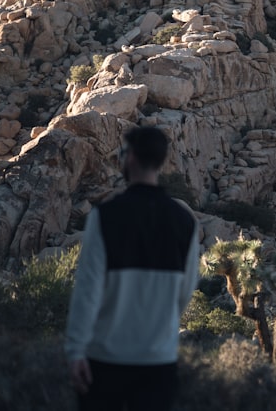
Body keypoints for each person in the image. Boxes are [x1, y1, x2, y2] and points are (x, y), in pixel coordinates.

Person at [65, 126, 199, 411]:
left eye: (123, 153)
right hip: (159, 361)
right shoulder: (185, 222)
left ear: (132, 158)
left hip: (105, 360)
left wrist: (76, 349)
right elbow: (184, 294)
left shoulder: (105, 217)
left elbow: (88, 290)